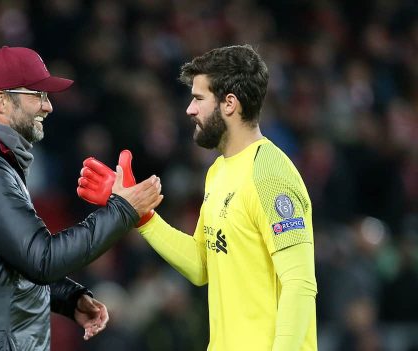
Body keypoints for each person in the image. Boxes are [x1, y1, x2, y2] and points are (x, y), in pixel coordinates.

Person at [0, 46, 163, 351]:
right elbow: (41, 259)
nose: (48, 107)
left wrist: (67, 297)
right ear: (1, 100)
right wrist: (123, 210)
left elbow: (4, 269)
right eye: (38, 94)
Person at [77, 45, 318, 350]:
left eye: (199, 98)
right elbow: (202, 265)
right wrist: (141, 214)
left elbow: (299, 284)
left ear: (229, 104)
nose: (190, 109)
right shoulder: (218, 172)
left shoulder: (269, 175)